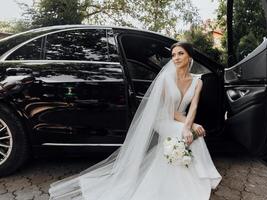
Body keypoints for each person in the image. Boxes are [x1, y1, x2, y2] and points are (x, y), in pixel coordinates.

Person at [49, 41, 222, 200]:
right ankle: (181, 183)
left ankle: (200, 178)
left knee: (194, 134)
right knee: (184, 134)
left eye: (180, 54)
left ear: (189, 56)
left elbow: (194, 107)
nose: (176, 58)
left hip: (182, 118)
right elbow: (170, 113)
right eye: (173, 55)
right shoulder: (166, 79)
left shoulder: (197, 81)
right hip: (164, 118)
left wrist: (191, 124)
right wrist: (188, 126)